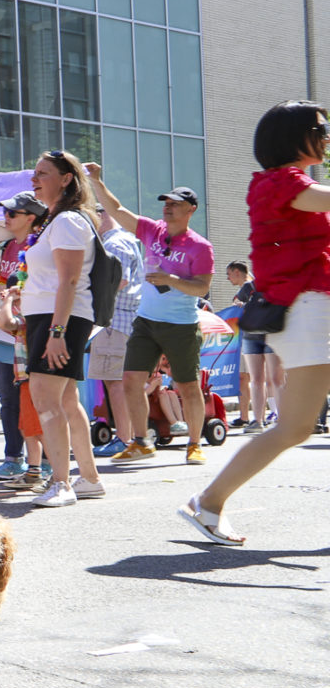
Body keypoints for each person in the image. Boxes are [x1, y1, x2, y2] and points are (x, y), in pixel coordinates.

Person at [181, 102, 330, 545]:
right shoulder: (280, 183)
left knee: (296, 426)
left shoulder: (294, 185)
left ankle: (208, 501)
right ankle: (208, 501)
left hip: (311, 309)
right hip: (307, 311)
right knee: (294, 427)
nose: (326, 136)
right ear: (293, 136)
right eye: (320, 128)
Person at [87, 168, 216, 465]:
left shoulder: (200, 246)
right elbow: (116, 210)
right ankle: (141, 441)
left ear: (190, 210)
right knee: (131, 379)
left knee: (188, 385)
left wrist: (170, 279)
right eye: (165, 202)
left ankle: (194, 444)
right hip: (144, 320)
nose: (167, 206)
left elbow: (203, 287)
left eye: (174, 203)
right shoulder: (152, 229)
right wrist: (96, 181)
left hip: (181, 325)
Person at [18, 151, 105, 509]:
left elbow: (69, 279)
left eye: (43, 173)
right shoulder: (59, 220)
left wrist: (57, 333)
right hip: (52, 317)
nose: (35, 179)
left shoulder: (69, 220)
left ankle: (61, 482)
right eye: (34, 173)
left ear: (67, 178)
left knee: (46, 400)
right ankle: (88, 478)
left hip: (59, 319)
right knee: (66, 400)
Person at [0, 191, 45, 482]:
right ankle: (13, 459)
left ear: (31, 219)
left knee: (35, 399)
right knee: (8, 397)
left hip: (29, 331)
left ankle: (42, 462)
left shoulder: (39, 247)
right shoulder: (9, 246)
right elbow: (3, 278)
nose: (6, 217)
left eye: (12, 214)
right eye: (5, 212)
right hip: (8, 330)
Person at [90, 206, 146, 458]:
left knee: (115, 382)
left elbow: (118, 280)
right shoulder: (125, 239)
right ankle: (132, 438)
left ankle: (124, 438)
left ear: (102, 215)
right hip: (123, 318)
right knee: (123, 382)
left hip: (113, 318)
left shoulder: (113, 243)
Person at [225, 260, 283, 432]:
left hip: (272, 335)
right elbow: (236, 303)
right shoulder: (248, 287)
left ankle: (282, 419)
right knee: (257, 380)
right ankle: (257, 420)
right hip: (252, 336)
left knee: (275, 379)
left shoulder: (277, 285)